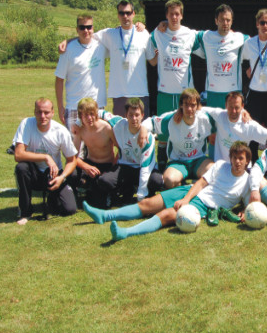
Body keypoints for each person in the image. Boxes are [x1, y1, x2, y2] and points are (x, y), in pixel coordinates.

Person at [83, 141, 254, 241]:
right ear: (230, 158)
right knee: (147, 203)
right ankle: (104, 216)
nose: (237, 162)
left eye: (241, 159)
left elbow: (250, 203)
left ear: (247, 161)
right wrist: (186, 199)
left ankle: (125, 233)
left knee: (165, 215)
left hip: (204, 207)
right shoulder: (221, 165)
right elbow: (201, 183)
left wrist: (246, 211)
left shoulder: (247, 181)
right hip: (189, 192)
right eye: (234, 158)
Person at [59, 0, 156, 117]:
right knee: (120, 127)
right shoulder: (110, 34)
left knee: (140, 127)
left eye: (128, 13)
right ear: (118, 15)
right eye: (121, 13)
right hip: (119, 94)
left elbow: (153, 61)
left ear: (133, 14)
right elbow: (87, 35)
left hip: (140, 92)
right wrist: (67, 41)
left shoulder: (143, 34)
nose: (125, 16)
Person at [148, 0, 199, 167]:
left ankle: (187, 160)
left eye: (177, 14)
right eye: (171, 14)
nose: (174, 17)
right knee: (163, 129)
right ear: (166, 15)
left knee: (187, 128)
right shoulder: (158, 33)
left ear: (182, 15)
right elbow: (149, 52)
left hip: (185, 93)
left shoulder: (191, 34)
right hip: (165, 92)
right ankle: (162, 162)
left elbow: (208, 44)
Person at [13, 98, 78, 225]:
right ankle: (25, 211)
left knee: (69, 209)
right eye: (39, 112)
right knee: (21, 168)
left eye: (46, 112)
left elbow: (72, 160)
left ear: (53, 113)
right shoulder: (26, 124)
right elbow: (18, 154)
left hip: (53, 175)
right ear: (34, 112)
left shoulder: (60, 131)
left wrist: (62, 178)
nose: (42, 116)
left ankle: (52, 198)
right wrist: (45, 157)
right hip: (34, 174)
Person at [147, 88, 215, 189]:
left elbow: (223, 122)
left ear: (198, 106)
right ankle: (186, 188)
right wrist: (143, 130)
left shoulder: (205, 118)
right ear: (181, 105)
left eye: (193, 105)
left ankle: (194, 187)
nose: (189, 109)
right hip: (178, 162)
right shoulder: (172, 119)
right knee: (168, 180)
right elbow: (151, 122)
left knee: (214, 174)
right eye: (186, 105)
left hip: (199, 160)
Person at [241, 8, 267, 162]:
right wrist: (247, 69)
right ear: (257, 24)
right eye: (262, 22)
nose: (265, 26)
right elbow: (241, 60)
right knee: (252, 131)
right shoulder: (249, 43)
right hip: (255, 95)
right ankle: (253, 164)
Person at [54, 14, 107, 131]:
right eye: (82, 27)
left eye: (89, 27)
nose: (86, 31)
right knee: (74, 143)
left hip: (97, 106)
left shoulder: (101, 45)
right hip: (74, 108)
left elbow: (119, 33)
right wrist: (60, 107)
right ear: (77, 29)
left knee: (97, 143)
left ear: (93, 28)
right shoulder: (68, 49)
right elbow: (59, 80)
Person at [107, 98, 164, 204]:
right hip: (125, 166)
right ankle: (124, 191)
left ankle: (149, 194)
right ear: (126, 115)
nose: (134, 118)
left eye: (137, 115)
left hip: (143, 168)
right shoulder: (119, 124)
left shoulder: (148, 137)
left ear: (142, 115)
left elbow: (145, 168)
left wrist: (141, 196)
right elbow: (103, 114)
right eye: (131, 115)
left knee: (157, 181)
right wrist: (78, 122)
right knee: (105, 180)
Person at [193, 4, 249, 109]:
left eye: (228, 20)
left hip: (234, 92)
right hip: (213, 93)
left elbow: (258, 43)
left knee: (234, 120)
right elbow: (186, 35)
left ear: (232, 21)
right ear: (216, 21)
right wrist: (165, 24)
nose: (225, 23)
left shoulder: (240, 38)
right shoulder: (206, 36)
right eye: (222, 20)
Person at [69, 97, 120, 208]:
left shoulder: (106, 128)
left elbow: (120, 150)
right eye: (85, 115)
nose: (89, 118)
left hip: (107, 165)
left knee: (98, 201)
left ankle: (105, 191)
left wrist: (113, 167)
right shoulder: (80, 130)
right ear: (80, 116)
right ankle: (76, 193)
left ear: (96, 113)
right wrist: (86, 167)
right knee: (71, 173)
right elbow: (73, 156)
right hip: (90, 163)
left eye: (92, 114)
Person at [204, 91, 267, 163]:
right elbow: (200, 109)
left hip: (240, 168)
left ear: (242, 106)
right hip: (220, 167)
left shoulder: (248, 125)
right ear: (226, 105)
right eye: (231, 107)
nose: (234, 111)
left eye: (237, 107)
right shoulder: (219, 115)